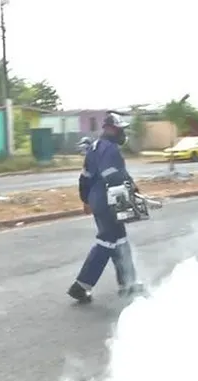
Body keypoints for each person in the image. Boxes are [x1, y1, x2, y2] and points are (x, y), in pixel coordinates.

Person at [67, 112, 145, 303]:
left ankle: (127, 283)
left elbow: (85, 177)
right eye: (120, 129)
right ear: (110, 128)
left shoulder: (94, 147)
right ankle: (81, 286)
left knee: (120, 240)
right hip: (109, 199)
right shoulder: (109, 149)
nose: (122, 133)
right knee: (107, 242)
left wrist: (85, 199)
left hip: (98, 199)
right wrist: (131, 190)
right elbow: (113, 176)